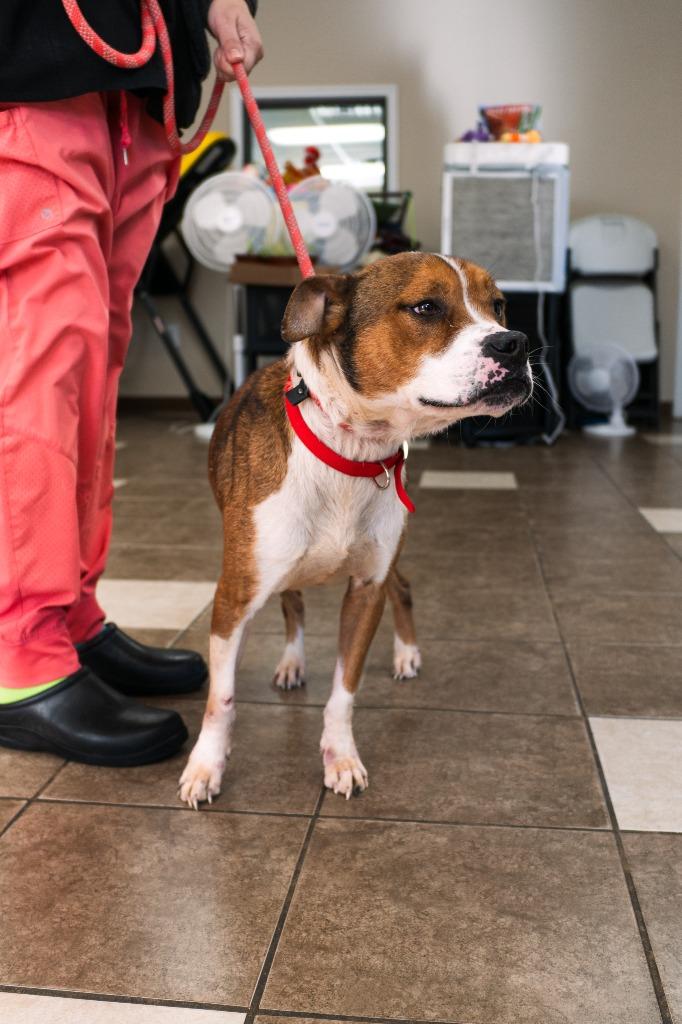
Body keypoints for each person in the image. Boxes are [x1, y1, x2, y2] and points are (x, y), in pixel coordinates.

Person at [0, 1, 263, 765]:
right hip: (33, 72)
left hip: (141, 88)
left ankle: (69, 616)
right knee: (39, 370)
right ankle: (19, 650)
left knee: (91, 369)